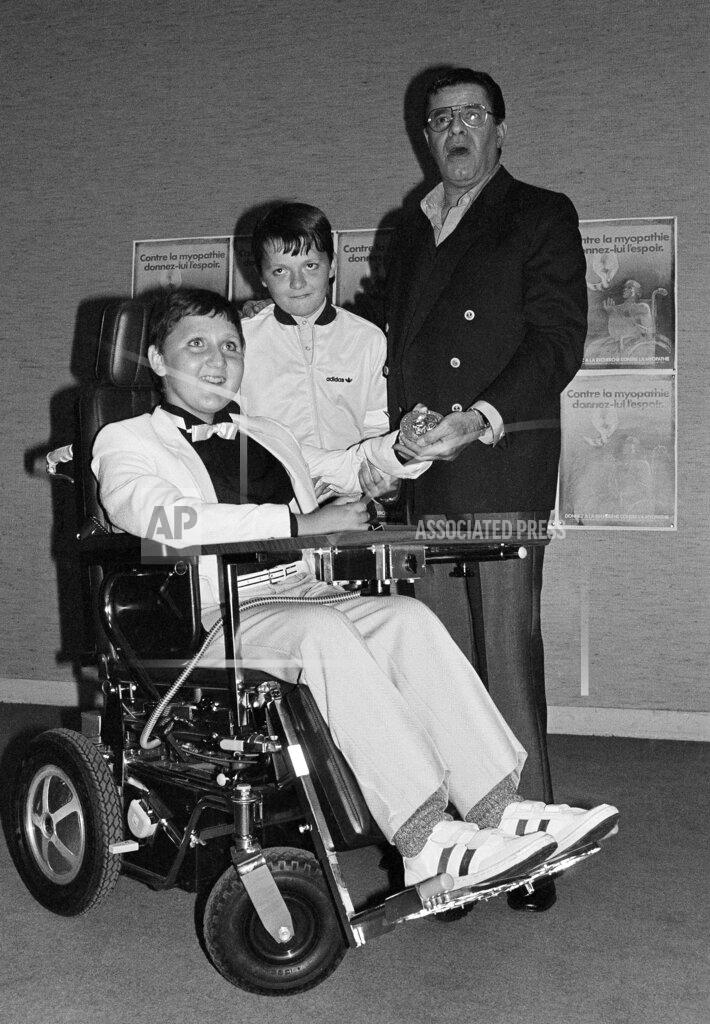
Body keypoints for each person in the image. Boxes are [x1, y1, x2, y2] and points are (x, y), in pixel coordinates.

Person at [92, 287, 617, 893]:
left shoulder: (269, 434)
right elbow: (159, 517)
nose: (218, 360)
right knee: (324, 633)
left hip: (302, 591)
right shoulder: (126, 440)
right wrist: (295, 524)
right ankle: (425, 841)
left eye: (231, 346)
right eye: (197, 345)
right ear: (158, 359)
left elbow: (348, 467)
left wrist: (405, 445)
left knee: (407, 619)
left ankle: (500, 807)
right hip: (215, 613)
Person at [385, 67, 589, 910]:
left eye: (472, 114)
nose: (456, 129)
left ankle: (532, 847)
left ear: (500, 130)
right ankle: (461, 851)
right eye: (441, 118)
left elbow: (558, 341)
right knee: (438, 665)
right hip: (426, 470)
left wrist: (479, 417)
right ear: (426, 136)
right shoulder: (409, 228)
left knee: (504, 654)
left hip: (501, 459)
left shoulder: (540, 213)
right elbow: (397, 347)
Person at [239, 203, 398, 500]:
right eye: (280, 271)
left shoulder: (368, 339)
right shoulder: (240, 341)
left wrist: (386, 482)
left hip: (351, 505)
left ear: (332, 266)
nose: (297, 283)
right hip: (272, 507)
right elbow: (231, 433)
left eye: (310, 265)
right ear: (262, 276)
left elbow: (377, 430)